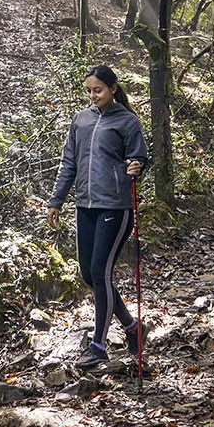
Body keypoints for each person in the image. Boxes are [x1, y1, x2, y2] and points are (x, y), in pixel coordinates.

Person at [45, 64, 149, 368]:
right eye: (89, 91)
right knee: (89, 275)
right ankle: (132, 328)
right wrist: (56, 201)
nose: (93, 96)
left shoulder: (127, 121)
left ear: (113, 88)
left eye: (98, 90)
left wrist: (137, 167)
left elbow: (140, 157)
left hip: (115, 207)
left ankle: (99, 345)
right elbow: (69, 163)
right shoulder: (81, 120)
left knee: (100, 271)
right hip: (85, 205)